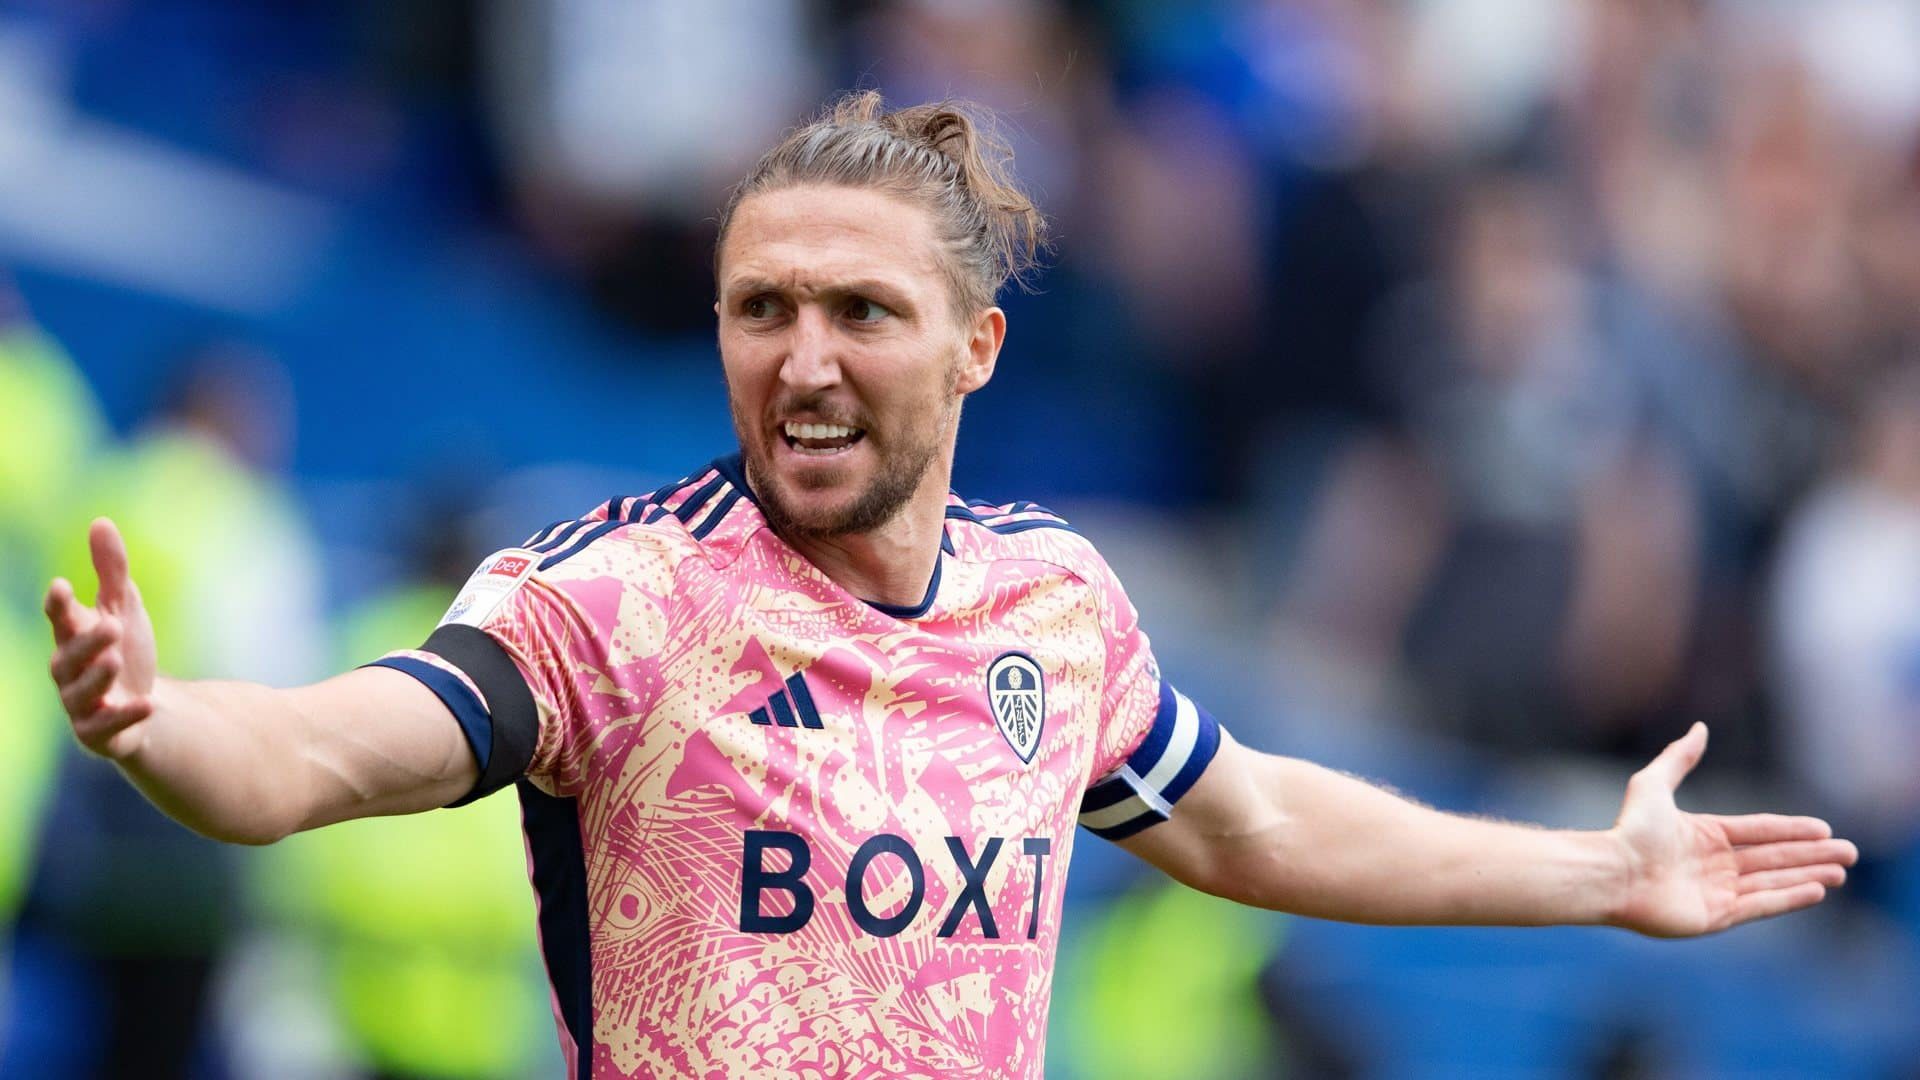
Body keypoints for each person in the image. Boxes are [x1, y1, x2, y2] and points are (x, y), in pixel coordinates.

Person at [44, 92, 1857, 1080]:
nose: (803, 357)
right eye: (762, 309)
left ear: (977, 347)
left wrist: (1600, 875)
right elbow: (327, 755)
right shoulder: (617, 603)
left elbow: (1253, 824)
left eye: (862, 312)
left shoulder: (1053, 607)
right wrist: (164, 725)